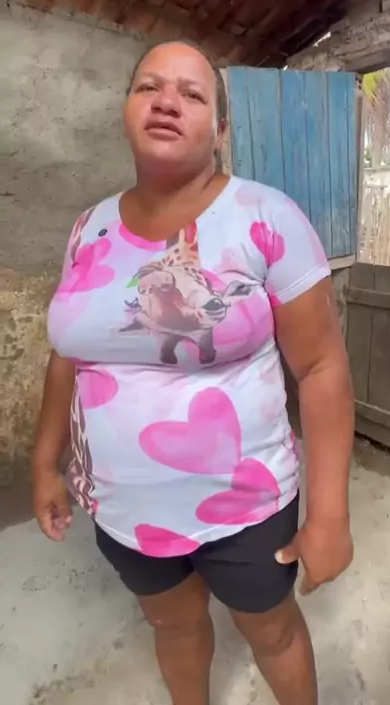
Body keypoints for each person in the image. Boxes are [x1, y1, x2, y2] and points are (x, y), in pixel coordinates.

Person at [32, 41, 354, 705]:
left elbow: (322, 368)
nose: (167, 102)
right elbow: (70, 353)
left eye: (191, 93)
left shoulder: (265, 217)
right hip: (121, 508)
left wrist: (329, 515)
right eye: (149, 87)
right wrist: (45, 464)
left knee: (272, 633)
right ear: (126, 109)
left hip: (246, 506)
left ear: (221, 129)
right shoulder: (88, 228)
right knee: (173, 626)